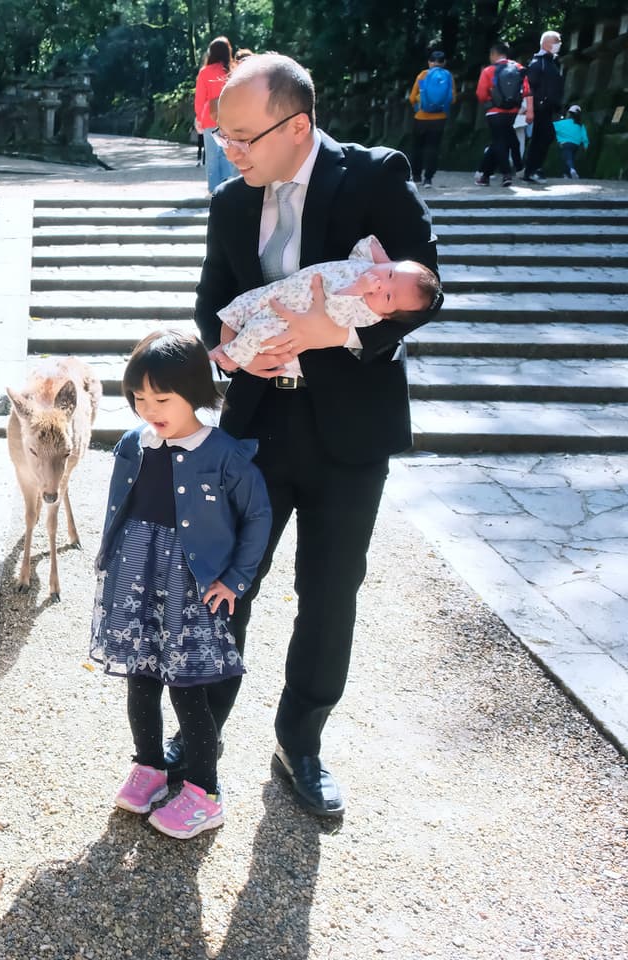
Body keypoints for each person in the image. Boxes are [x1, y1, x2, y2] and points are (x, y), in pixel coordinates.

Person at [193, 53, 440, 818]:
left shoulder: (374, 177)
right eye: (222, 136)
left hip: (349, 432)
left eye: (242, 137)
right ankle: (201, 738)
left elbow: (425, 289)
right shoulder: (233, 201)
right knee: (228, 586)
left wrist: (330, 330)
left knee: (329, 594)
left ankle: (301, 740)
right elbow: (210, 304)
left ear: (296, 126)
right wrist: (233, 348)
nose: (229, 152)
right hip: (257, 426)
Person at [93, 330, 271, 839]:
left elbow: (258, 515)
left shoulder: (223, 454)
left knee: (188, 689)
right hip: (138, 576)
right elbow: (121, 506)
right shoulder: (135, 443)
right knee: (140, 679)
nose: (149, 408)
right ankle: (149, 767)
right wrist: (112, 560)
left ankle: (203, 793)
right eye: (138, 398)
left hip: (191, 587)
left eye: (162, 398)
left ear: (194, 391)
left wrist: (236, 580)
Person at [216, 235, 442, 370]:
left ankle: (233, 358)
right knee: (242, 303)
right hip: (284, 290)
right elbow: (365, 244)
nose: (382, 285)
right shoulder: (368, 268)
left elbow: (335, 311)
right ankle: (224, 344)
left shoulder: (368, 310)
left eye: (389, 297)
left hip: (289, 317)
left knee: (257, 331)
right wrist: (385, 265)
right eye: (391, 275)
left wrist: (358, 289)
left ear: (386, 315)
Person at [474, 41, 532, 187]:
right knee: (502, 141)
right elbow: (527, 90)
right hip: (512, 112)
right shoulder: (519, 68)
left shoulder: (488, 70)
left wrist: (490, 102)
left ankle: (506, 174)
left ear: (494, 54)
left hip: (494, 112)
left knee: (499, 142)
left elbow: (481, 94)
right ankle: (485, 175)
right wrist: (528, 109)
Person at [407, 50, 454, 187]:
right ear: (444, 63)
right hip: (439, 119)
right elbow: (453, 98)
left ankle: (416, 176)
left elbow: (411, 98)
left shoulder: (422, 75)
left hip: (420, 118)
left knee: (417, 147)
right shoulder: (448, 76)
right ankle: (428, 179)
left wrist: (419, 107)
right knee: (433, 148)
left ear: (429, 62)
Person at [195, 37, 235, 192]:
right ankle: (228, 186)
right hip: (230, 119)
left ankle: (214, 190)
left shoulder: (205, 72)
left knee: (212, 156)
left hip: (210, 118)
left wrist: (198, 118)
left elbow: (200, 99)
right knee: (228, 154)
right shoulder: (233, 71)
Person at [524, 30, 565, 182]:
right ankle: (533, 169)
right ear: (547, 44)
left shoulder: (551, 62)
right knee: (544, 136)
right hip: (539, 107)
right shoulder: (538, 63)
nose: (558, 45)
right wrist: (530, 109)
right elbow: (529, 87)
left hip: (548, 107)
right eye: (556, 41)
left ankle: (532, 169)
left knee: (540, 138)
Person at [554, 104, 589, 178]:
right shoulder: (580, 125)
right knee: (570, 157)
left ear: (569, 113)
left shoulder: (562, 123)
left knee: (567, 158)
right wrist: (585, 146)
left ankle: (572, 169)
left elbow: (551, 127)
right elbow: (584, 137)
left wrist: (558, 140)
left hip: (565, 143)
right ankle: (566, 174)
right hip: (576, 145)